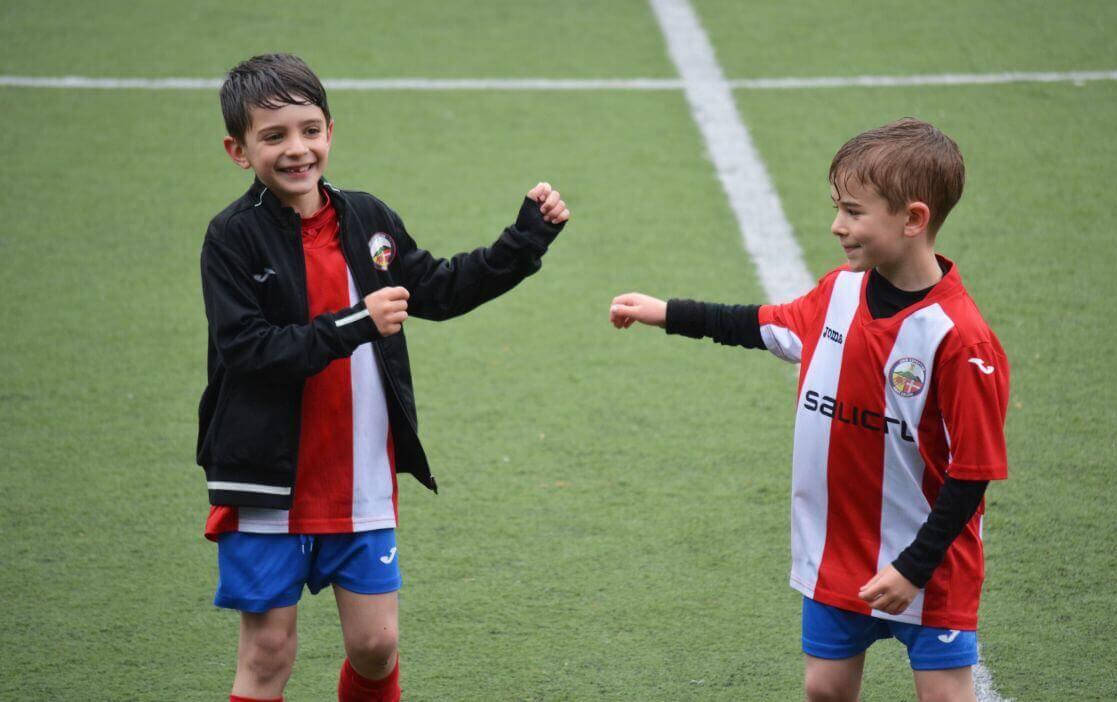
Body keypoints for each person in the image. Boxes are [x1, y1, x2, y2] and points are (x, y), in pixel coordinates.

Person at [197, 53, 570, 702]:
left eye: (310, 130)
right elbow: (247, 349)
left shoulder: (367, 219)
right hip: (267, 484)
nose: (297, 150)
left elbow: (439, 289)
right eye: (274, 136)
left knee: (375, 647)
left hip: (359, 480)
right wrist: (356, 324)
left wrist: (525, 240)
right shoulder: (232, 238)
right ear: (239, 149)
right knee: (267, 654)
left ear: (331, 131)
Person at [609, 119, 1008, 702]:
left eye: (853, 211)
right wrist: (665, 311)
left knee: (946, 698)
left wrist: (914, 567)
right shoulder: (838, 294)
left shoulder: (962, 341)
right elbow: (759, 324)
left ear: (913, 219)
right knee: (824, 690)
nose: (837, 226)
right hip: (836, 553)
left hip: (931, 565)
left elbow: (972, 472)